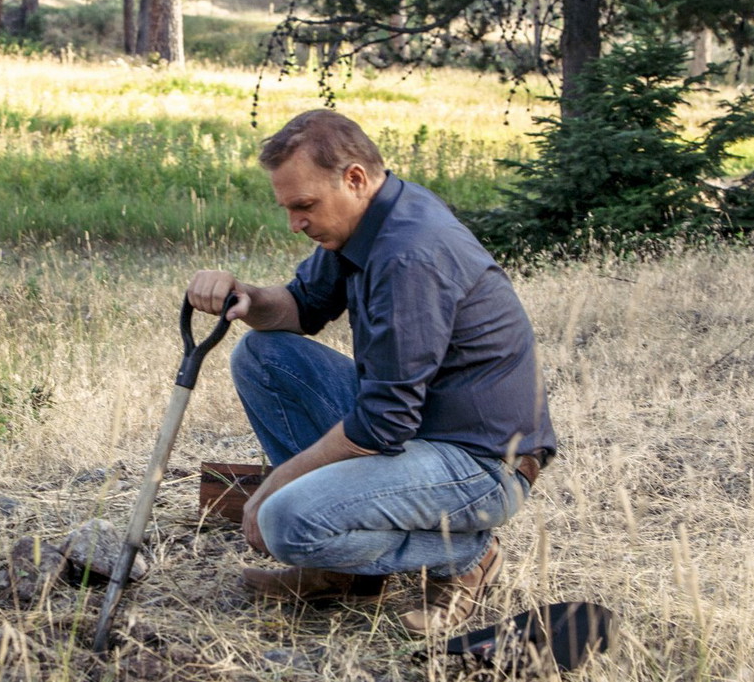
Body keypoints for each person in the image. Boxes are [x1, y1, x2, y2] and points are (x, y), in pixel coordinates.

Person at [186, 109, 555, 634]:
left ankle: (463, 555)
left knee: (285, 520)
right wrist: (244, 295)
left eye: (304, 206)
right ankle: (345, 567)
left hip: (482, 463)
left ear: (354, 178)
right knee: (262, 356)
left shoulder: (410, 253)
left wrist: (277, 485)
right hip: (419, 430)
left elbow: (383, 423)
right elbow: (301, 305)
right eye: (288, 208)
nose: (295, 223)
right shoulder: (367, 217)